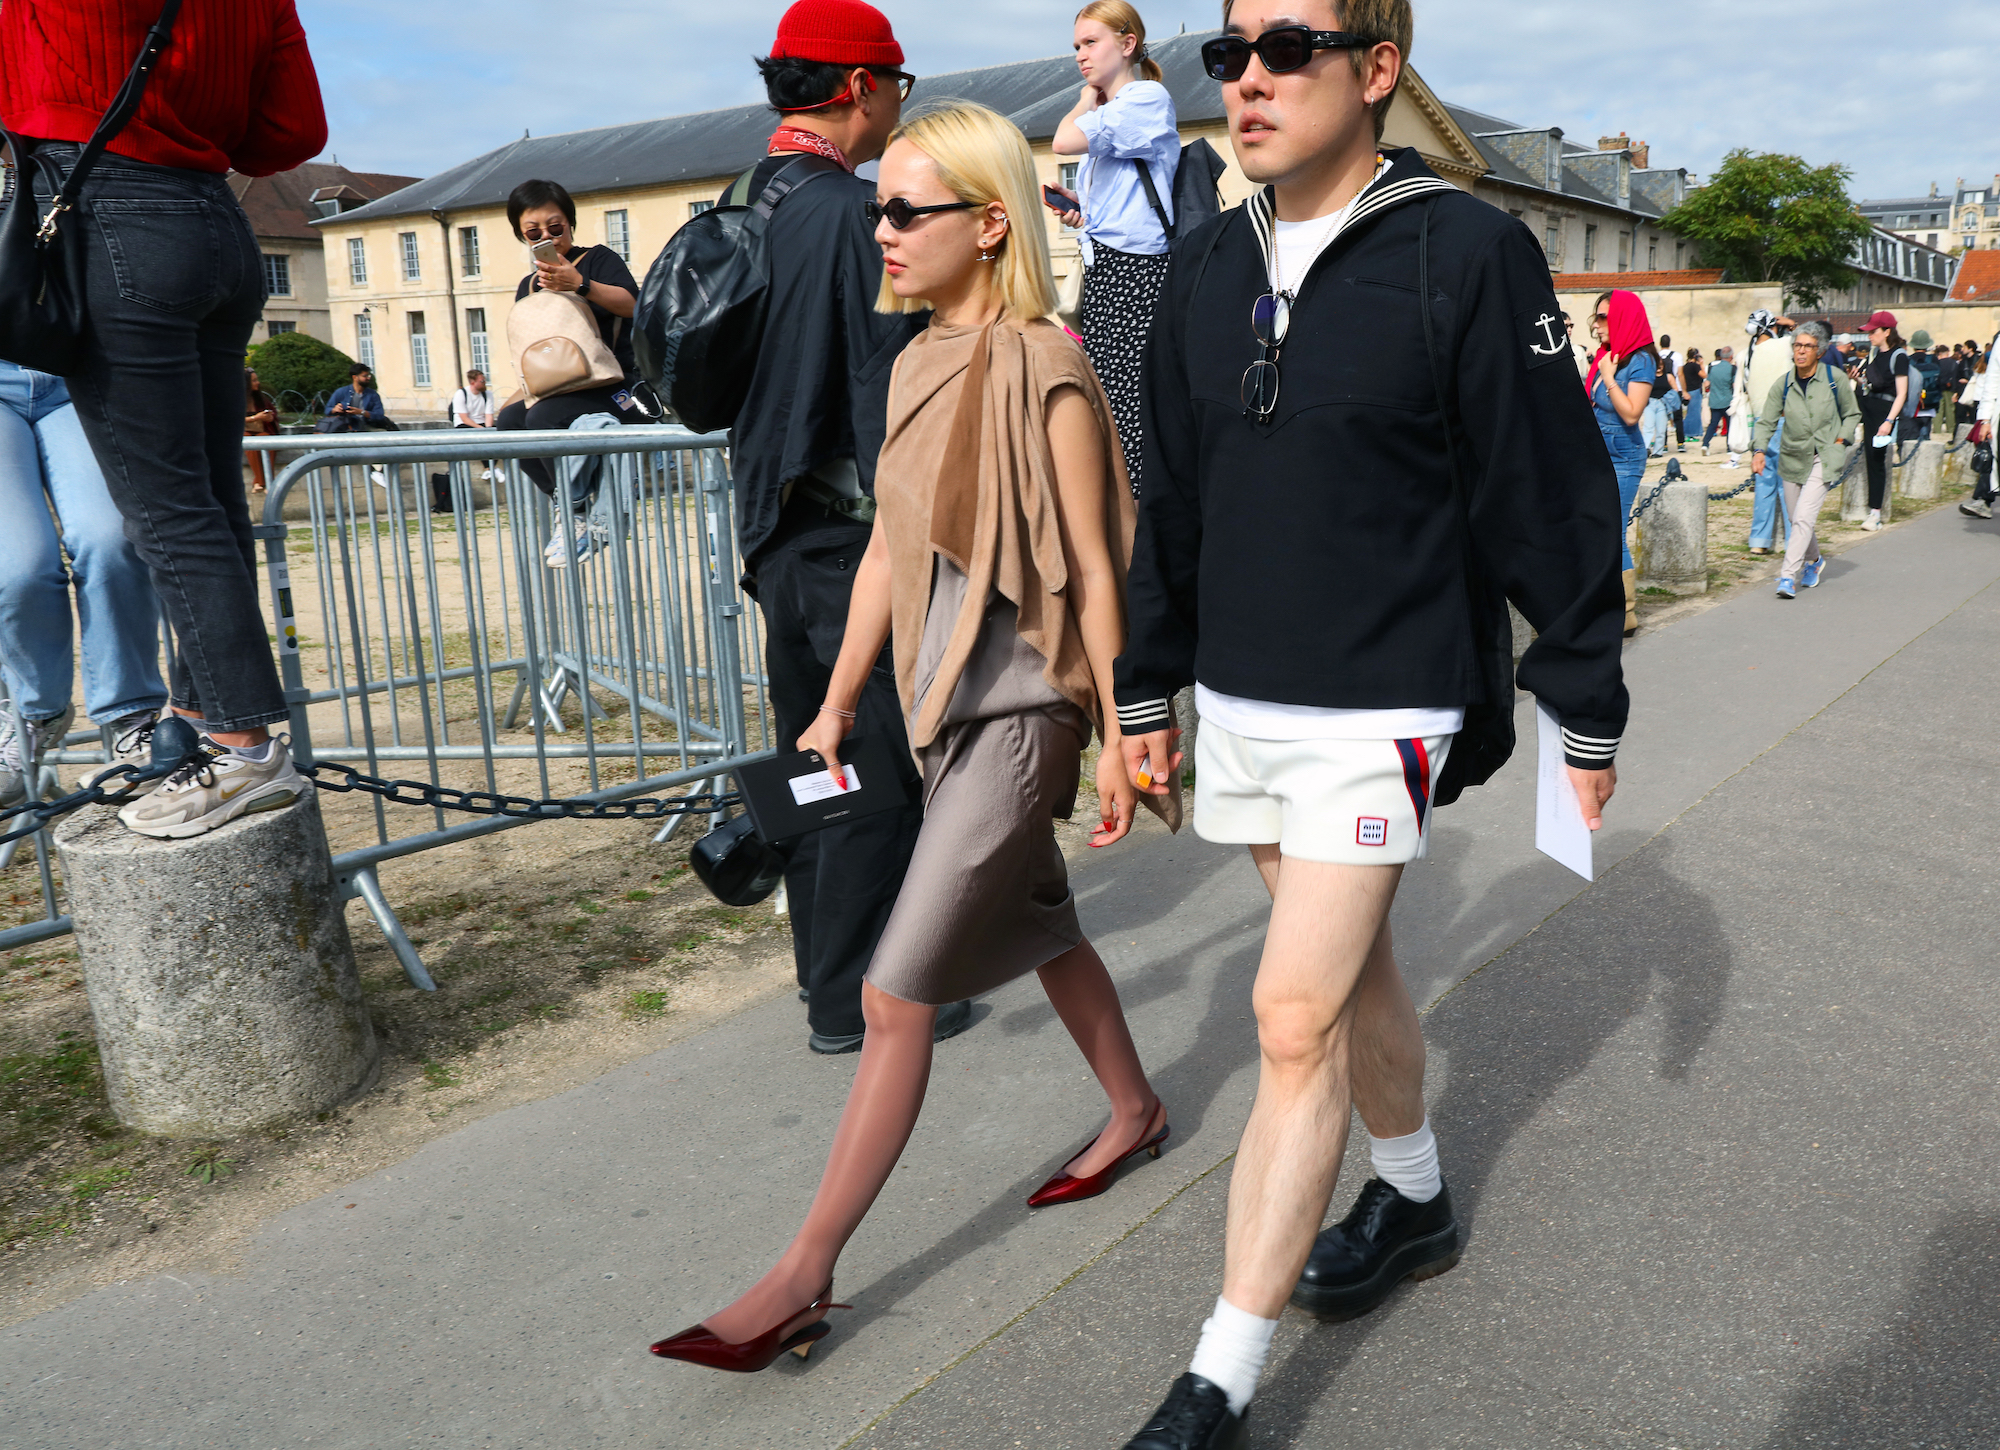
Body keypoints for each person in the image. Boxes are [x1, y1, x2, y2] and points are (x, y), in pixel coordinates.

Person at [1113, 3, 1628, 1443]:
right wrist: (1149, 688)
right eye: (1227, 54)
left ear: (1379, 70)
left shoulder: (1465, 251)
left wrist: (1582, 706)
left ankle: (1218, 1371)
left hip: (1386, 698)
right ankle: (1411, 1198)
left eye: (1287, 47)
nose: (1250, 79)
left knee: (1289, 1018)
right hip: (1244, 696)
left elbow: (1549, 490)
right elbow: (1176, 498)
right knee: (1348, 978)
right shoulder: (1204, 263)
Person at [650, 99, 1168, 1377]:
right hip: (938, 709)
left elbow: (1096, 570)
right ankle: (1137, 1108)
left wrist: (1122, 728)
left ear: (989, 226)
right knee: (1043, 923)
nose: (876, 230)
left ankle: (799, 1275)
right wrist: (833, 702)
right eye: (877, 204)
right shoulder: (915, 361)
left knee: (890, 996)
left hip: (1024, 708)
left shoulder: (1046, 362)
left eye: (902, 210)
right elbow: (887, 541)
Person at [1, 0, 321, 838]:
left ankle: (243, 746)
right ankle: (202, 718)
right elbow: (293, 131)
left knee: (168, 514)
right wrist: (185, 126)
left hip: (106, 214)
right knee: (209, 502)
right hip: (216, 218)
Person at [717, 0, 952, 1056]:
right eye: (899, 83)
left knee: (812, 757)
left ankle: (828, 985)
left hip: (771, 524)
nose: (901, 102)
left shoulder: (747, 195)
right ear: (861, 86)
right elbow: (879, 392)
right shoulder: (853, 215)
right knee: (871, 770)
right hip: (844, 533)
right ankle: (867, 998)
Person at [0, 359, 169, 803]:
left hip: (74, 369)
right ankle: (38, 713)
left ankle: (130, 713)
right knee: (19, 570)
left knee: (114, 541)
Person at [1050, 1, 1178, 496]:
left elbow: (1062, 140)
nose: (1081, 56)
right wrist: (1079, 209)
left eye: (1090, 43)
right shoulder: (1117, 110)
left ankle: (1140, 528)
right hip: (1107, 265)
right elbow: (1121, 200)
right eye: (1076, 46)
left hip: (1135, 270)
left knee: (1126, 409)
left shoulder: (1144, 99)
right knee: (1105, 398)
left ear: (1127, 45)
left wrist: (1086, 98)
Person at [492, 178, 641, 565]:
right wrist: (512, 401)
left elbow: (634, 305)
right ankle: (569, 511)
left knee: (542, 416)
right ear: (521, 236)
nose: (547, 236)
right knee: (509, 422)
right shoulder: (528, 286)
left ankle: (576, 510)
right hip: (561, 388)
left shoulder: (598, 259)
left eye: (555, 227)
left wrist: (581, 285)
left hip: (616, 383)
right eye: (534, 232)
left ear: (570, 223)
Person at [1750, 322, 1856, 600]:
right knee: (1798, 520)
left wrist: (1841, 440)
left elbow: (1852, 414)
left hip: (1824, 456)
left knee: (1803, 518)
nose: (1801, 351)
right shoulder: (1783, 384)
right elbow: (1766, 421)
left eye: (1808, 346)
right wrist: (1759, 450)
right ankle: (1816, 561)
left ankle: (1788, 576)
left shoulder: (1835, 379)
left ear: (1819, 351)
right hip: (1792, 458)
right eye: (1797, 345)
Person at [1587, 290, 1656, 636]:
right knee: (1593, 529)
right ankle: (1601, 604)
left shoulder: (1641, 360)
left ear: (1623, 319)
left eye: (1604, 318)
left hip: (1624, 457)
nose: (1597, 325)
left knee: (1612, 532)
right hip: (1597, 454)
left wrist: (1609, 376)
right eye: (1597, 318)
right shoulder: (1607, 355)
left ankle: (1626, 613)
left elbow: (1631, 413)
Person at [1741, 311, 1795, 551]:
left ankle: (1759, 540)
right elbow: (1807, 340)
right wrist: (1789, 323)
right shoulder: (1783, 345)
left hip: (1759, 421)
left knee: (1764, 481)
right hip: (1782, 418)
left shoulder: (1746, 354)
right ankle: (1792, 539)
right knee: (1788, 483)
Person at [1856, 310, 1909, 532]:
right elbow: (1872, 384)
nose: (1869, 336)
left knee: (1877, 461)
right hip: (1869, 409)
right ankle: (1872, 510)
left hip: (1883, 414)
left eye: (1873, 331)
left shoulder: (1899, 356)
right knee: (1870, 458)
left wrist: (1889, 421)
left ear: (1887, 332)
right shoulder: (1874, 355)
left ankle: (1875, 513)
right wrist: (1859, 379)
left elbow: (1901, 393)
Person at [324, 363, 397, 431]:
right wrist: (334, 409)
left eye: (368, 376)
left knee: (383, 434)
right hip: (345, 427)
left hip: (367, 426)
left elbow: (379, 415)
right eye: (364, 376)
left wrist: (362, 412)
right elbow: (327, 410)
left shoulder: (372, 394)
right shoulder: (341, 392)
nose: (368, 378)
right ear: (355, 377)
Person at [242, 368, 278, 494]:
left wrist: (270, 417)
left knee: (267, 441)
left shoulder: (261, 399)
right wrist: (255, 418)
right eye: (254, 381)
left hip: (261, 430)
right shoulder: (237, 399)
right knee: (250, 445)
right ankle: (264, 482)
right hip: (243, 431)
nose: (258, 383)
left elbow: (273, 414)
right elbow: (232, 419)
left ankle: (260, 482)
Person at [1641, 333, 1673, 456]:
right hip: (1650, 403)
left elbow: (1674, 389)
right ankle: (1646, 448)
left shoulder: (1668, 376)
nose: (1659, 367)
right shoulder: (1649, 376)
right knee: (1648, 428)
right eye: (1657, 365)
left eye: (1661, 365)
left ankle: (1658, 451)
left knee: (1661, 429)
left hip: (1662, 404)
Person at [1907, 329, 1940, 441]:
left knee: (1912, 436)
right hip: (1930, 402)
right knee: (1926, 434)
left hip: (1912, 404)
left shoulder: (1908, 360)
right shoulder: (1933, 359)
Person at [1701, 345, 1735, 454]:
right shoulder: (1732, 369)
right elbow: (1734, 385)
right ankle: (1729, 447)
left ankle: (1705, 444)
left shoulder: (1713, 368)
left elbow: (1707, 384)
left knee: (1713, 424)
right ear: (1731, 356)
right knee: (1730, 424)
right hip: (1727, 401)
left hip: (1714, 400)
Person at [1680, 346, 1704, 449]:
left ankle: (1690, 432)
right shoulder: (1695, 366)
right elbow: (1704, 375)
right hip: (1695, 390)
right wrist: (1702, 365)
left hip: (1688, 390)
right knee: (1694, 413)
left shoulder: (1685, 366)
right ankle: (1690, 433)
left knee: (1691, 412)